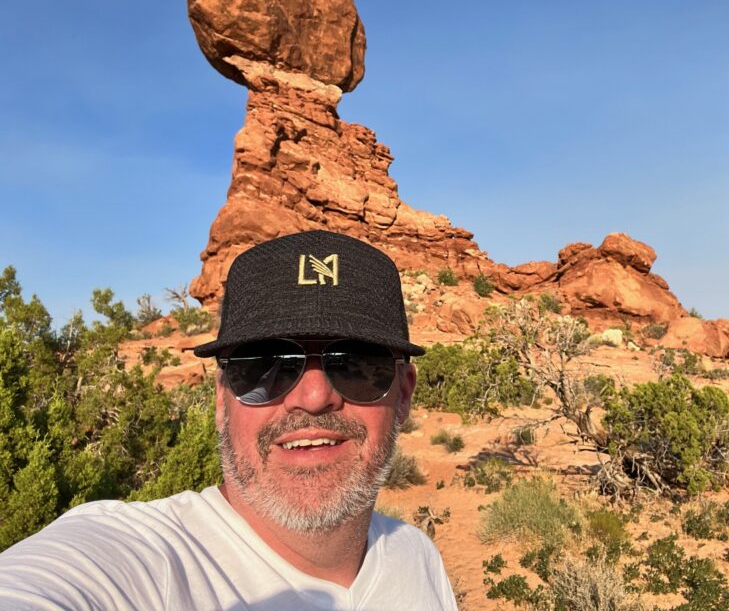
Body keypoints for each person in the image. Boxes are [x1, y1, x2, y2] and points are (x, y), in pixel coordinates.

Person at [0, 230, 459, 610]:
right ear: (222, 399)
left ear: (404, 394)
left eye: (356, 364)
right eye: (264, 365)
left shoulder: (415, 555)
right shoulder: (144, 562)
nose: (315, 397)